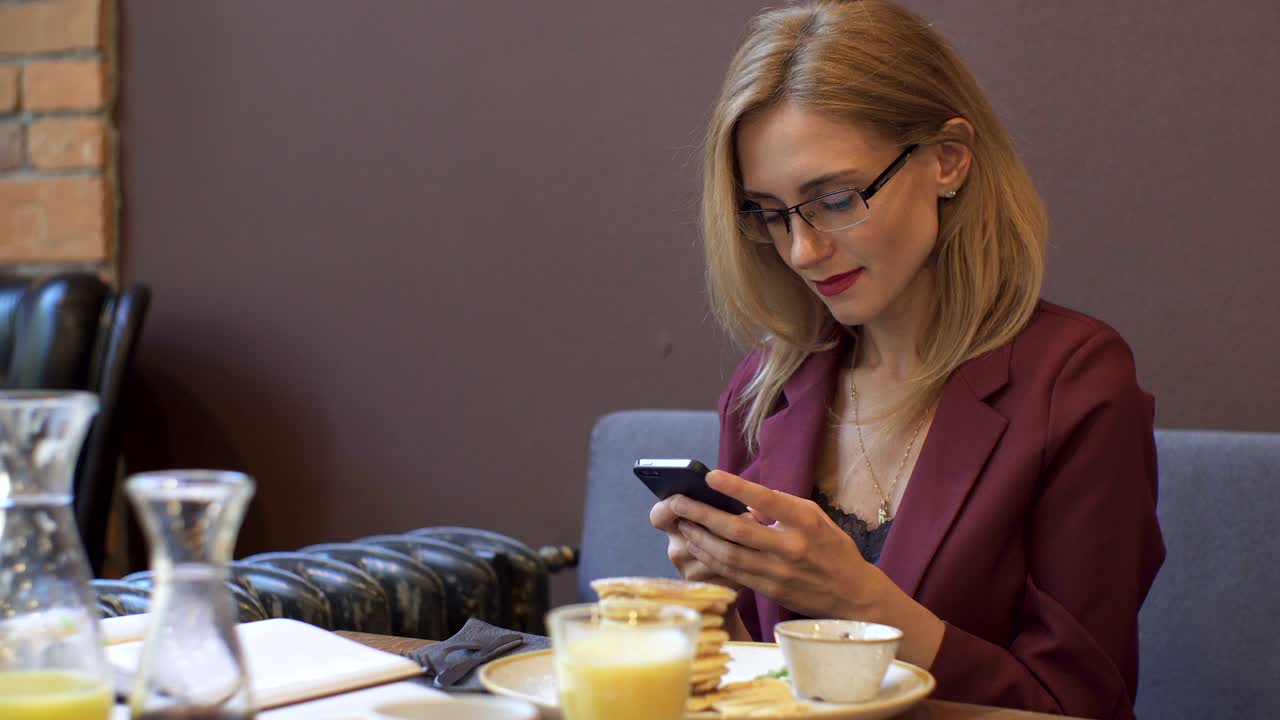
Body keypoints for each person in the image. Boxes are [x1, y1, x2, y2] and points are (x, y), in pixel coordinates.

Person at [648, 2, 1165, 718]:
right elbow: (771, 693)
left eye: (835, 199)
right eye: (769, 212)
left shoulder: (1075, 384)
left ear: (948, 159)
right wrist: (717, 618)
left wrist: (859, 600)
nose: (802, 250)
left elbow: (1078, 705)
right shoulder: (763, 391)